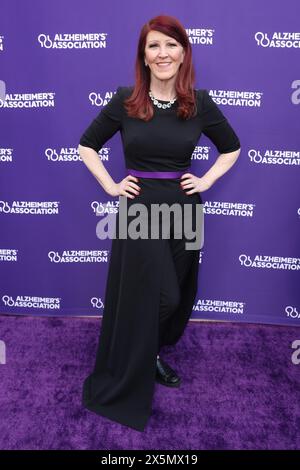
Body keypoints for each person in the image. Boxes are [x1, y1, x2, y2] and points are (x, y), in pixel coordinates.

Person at [78, 14, 241, 432]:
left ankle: (149, 354)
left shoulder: (199, 103)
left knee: (179, 292)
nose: (163, 53)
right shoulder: (126, 100)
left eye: (170, 45)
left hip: (186, 209)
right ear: (144, 56)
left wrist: (205, 179)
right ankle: (133, 364)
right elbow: (87, 145)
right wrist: (112, 185)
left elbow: (232, 148)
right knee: (159, 296)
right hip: (141, 210)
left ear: (184, 53)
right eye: (154, 46)